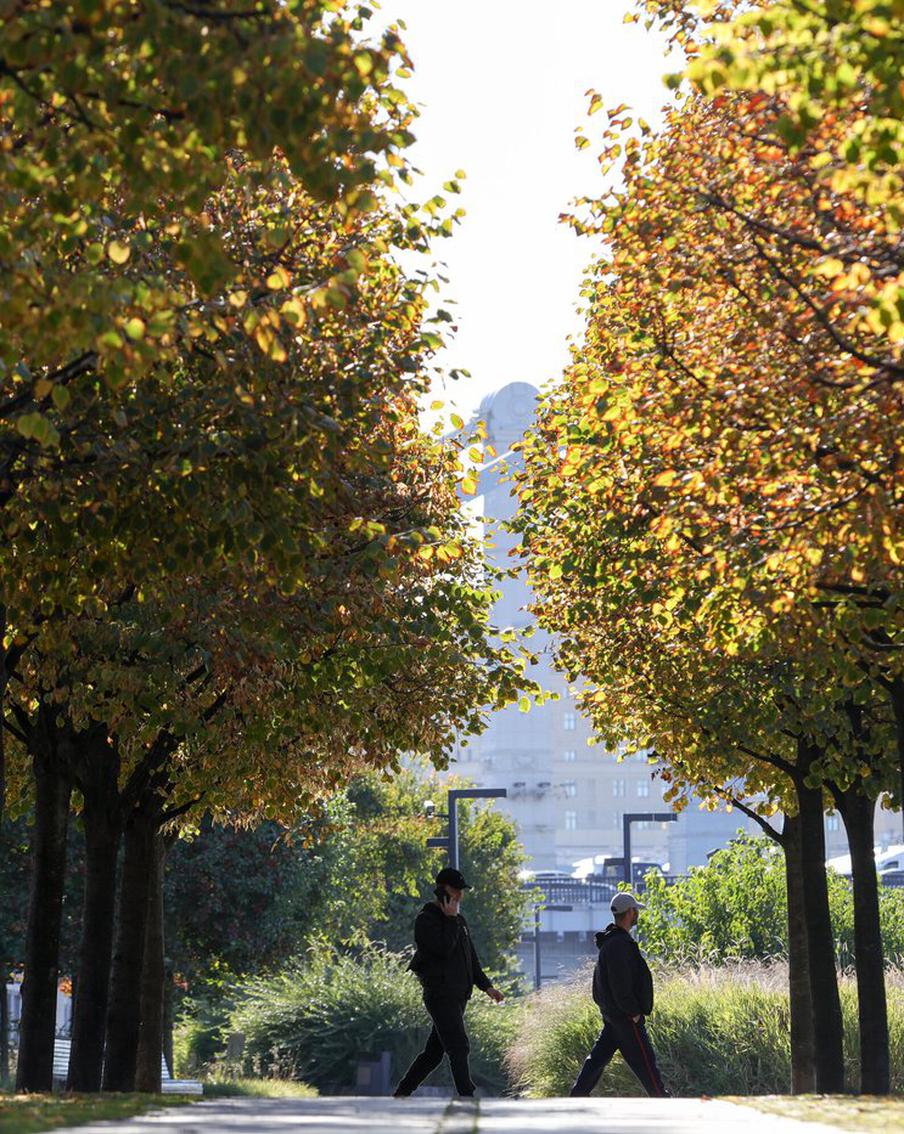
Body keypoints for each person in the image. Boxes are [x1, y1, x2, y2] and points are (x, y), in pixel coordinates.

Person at [393, 866, 504, 1098]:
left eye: (461, 891)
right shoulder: (427, 919)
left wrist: (487, 986)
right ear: (443, 889)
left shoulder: (459, 921)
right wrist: (451, 920)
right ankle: (467, 1094)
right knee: (459, 1045)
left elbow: (470, 958)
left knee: (433, 1053)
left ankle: (402, 1091)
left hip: (458, 995)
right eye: (456, 890)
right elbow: (443, 949)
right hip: (440, 994)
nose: (460, 895)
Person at [569, 891, 669, 1098]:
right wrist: (633, 1012)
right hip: (625, 1017)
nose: (637, 915)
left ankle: (577, 1095)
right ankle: (662, 1098)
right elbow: (620, 984)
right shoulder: (618, 945)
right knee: (645, 1060)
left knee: (597, 1060)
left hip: (613, 1016)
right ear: (630, 912)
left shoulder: (612, 942)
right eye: (636, 911)